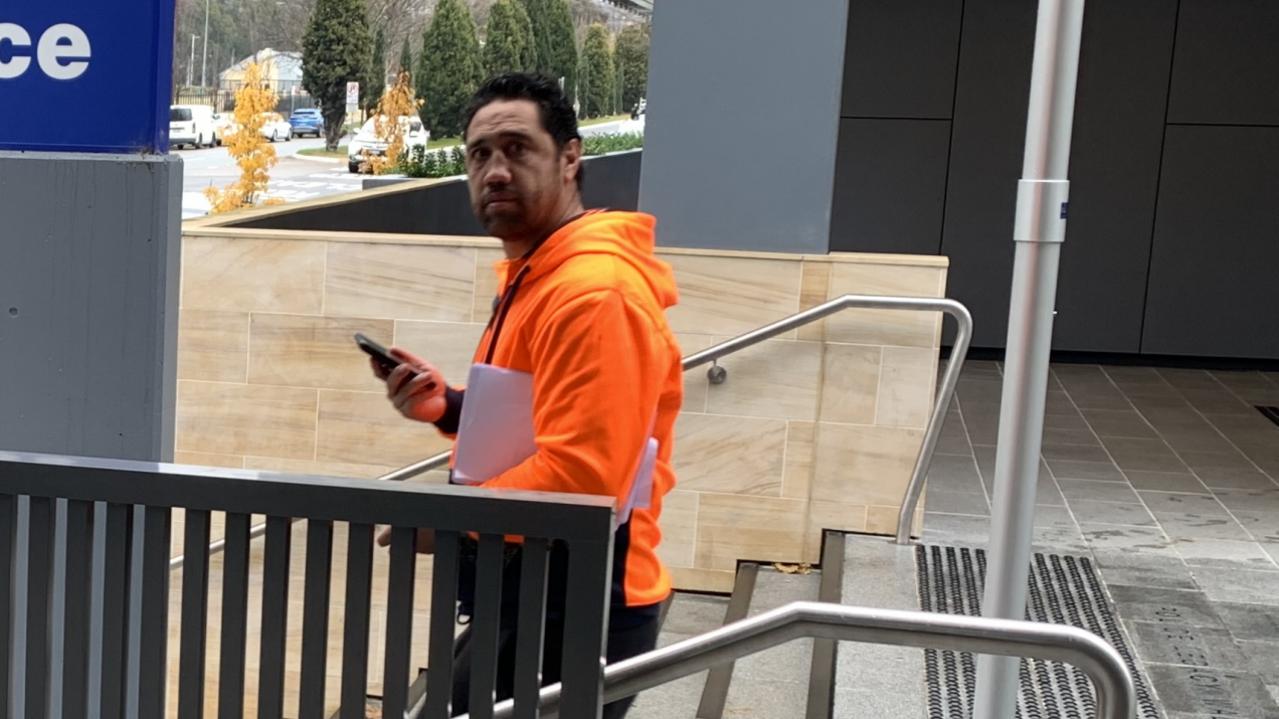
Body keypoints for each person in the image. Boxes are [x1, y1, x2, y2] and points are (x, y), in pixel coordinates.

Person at [371, 72, 683, 718]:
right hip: (529, 585)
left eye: (517, 148)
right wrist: (448, 408)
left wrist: (450, 520)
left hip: (576, 604)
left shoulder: (593, 293)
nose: (494, 170)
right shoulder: (537, 273)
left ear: (570, 158)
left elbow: (583, 476)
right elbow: (535, 423)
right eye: (479, 153)